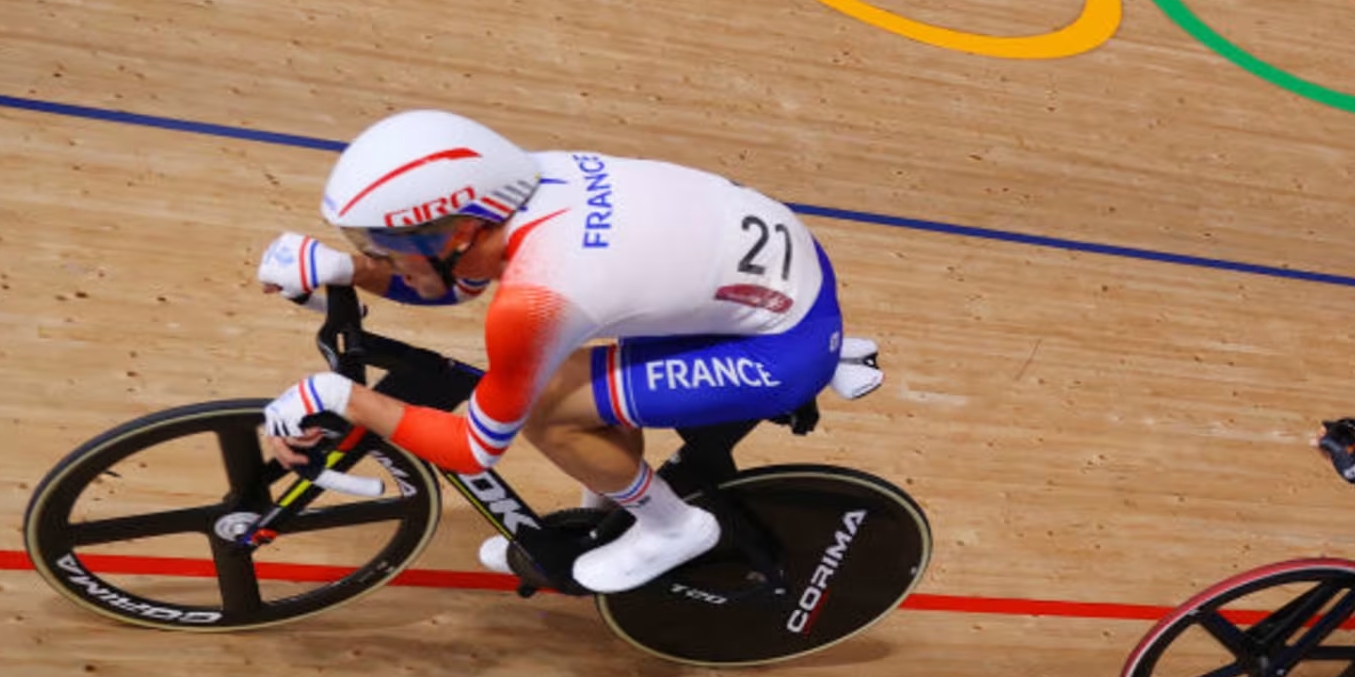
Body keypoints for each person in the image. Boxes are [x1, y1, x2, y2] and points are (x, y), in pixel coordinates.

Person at [252, 110, 883, 595]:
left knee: (549, 408)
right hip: (764, 273)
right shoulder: (524, 182)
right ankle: (606, 523)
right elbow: (455, 279)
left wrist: (342, 397)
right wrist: (349, 268)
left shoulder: (540, 296)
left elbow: (471, 449)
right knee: (580, 381)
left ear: (464, 226)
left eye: (386, 241)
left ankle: (673, 527)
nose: (380, 252)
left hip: (782, 344)